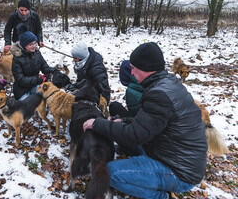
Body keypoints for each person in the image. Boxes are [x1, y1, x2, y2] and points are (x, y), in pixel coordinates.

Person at [83, 42, 207, 198]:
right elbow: (145, 123)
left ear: (147, 69)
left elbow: (134, 135)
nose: (132, 73)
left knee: (107, 173)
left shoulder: (159, 95)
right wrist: (120, 121)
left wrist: (97, 123)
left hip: (180, 171)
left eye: (134, 68)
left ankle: (162, 196)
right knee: (122, 139)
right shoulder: (166, 83)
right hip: (172, 153)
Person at [11, 23, 55, 101]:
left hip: (35, 86)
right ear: (23, 45)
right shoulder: (17, 59)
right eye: (30, 44)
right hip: (22, 91)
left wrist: (55, 71)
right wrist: (37, 80)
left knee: (48, 98)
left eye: (35, 43)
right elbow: (20, 79)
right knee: (28, 107)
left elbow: (45, 67)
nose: (34, 46)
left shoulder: (37, 53)